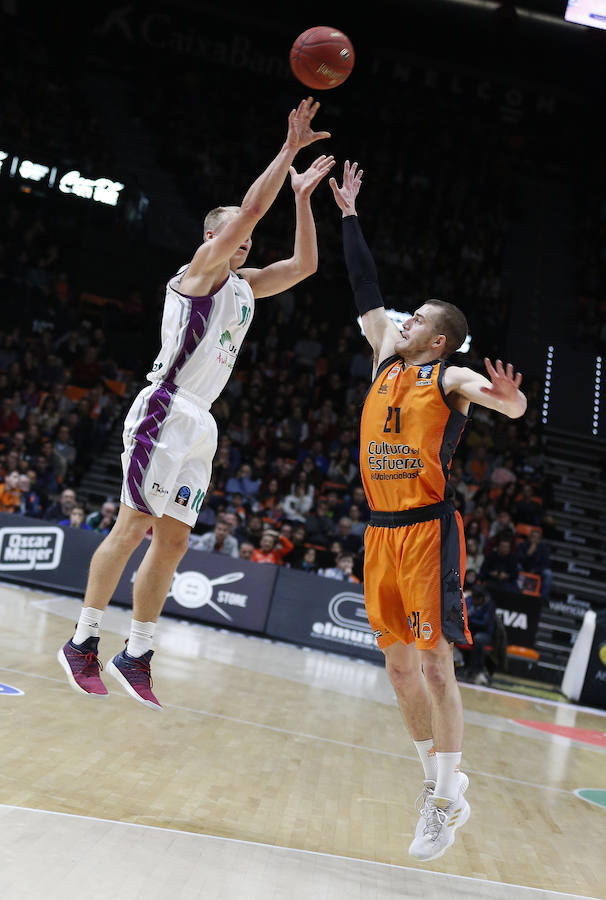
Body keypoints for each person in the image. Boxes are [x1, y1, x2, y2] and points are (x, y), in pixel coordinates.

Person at [57, 98, 334, 710]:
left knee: (175, 540)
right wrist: (288, 152)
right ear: (215, 236)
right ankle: (83, 640)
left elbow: (307, 265)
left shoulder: (245, 284)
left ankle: (139, 650)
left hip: (200, 421)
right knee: (132, 527)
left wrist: (305, 200)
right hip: (165, 406)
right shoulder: (200, 272)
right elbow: (252, 208)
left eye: (250, 235)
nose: (249, 238)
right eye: (239, 231)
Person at [329, 160, 527, 861]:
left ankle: (443, 800)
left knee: (437, 665)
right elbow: (364, 285)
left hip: (427, 532)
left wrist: (509, 399)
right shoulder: (386, 353)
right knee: (398, 670)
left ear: (438, 339)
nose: (402, 321)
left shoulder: (448, 375)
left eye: (416, 321)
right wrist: (349, 213)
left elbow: (501, 396)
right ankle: (441, 784)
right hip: (380, 533)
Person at [463, 584, 497, 685]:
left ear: (481, 598)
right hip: (471, 631)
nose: (473, 601)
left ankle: (477, 670)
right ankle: (458, 666)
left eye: (476, 599)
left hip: (484, 633)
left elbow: (485, 623)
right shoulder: (469, 600)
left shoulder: (490, 605)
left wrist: (470, 620)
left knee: (478, 639)